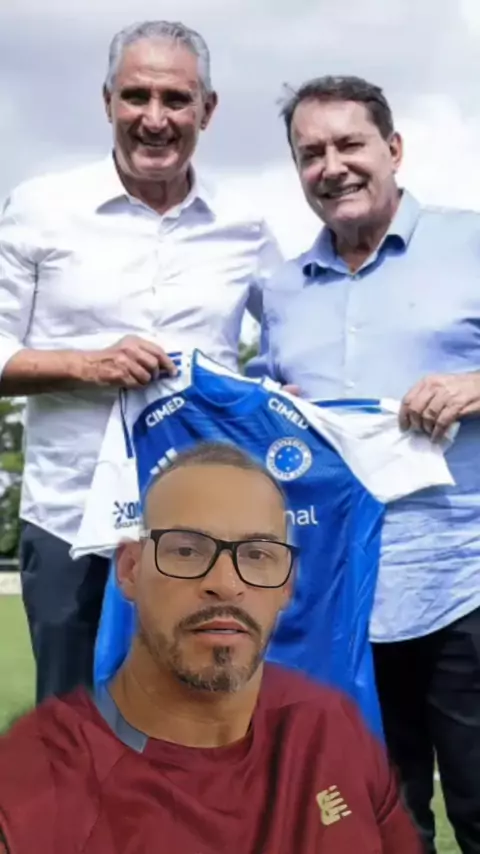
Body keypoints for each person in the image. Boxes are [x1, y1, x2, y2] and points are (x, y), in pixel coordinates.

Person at [0, 20, 281, 703]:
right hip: (69, 525)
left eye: (176, 99)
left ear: (207, 110)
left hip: (203, 532)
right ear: (107, 102)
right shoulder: (41, 209)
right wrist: (87, 365)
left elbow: (287, 355)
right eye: (136, 96)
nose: (155, 118)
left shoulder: (246, 226)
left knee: (199, 726)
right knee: (74, 731)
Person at [254, 74, 480, 854]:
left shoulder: (470, 243)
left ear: (394, 148)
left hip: (465, 586)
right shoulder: (281, 292)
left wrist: (476, 384)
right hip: (336, 604)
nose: (332, 166)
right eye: (310, 153)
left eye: (349, 144)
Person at [0, 442, 422, 853]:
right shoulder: (36, 790)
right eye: (187, 550)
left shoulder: (336, 740)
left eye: (257, 554)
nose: (225, 583)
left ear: (288, 583)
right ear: (130, 568)